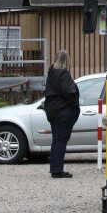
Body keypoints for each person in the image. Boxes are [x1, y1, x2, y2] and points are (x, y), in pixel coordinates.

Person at [44, 50, 81, 179]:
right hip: (63, 110)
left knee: (56, 140)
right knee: (61, 140)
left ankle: (55, 168)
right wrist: (74, 104)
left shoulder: (51, 74)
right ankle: (57, 170)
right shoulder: (63, 74)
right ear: (67, 60)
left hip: (52, 110)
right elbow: (69, 92)